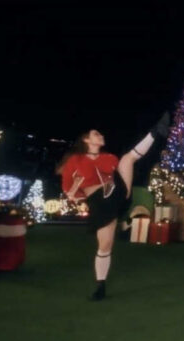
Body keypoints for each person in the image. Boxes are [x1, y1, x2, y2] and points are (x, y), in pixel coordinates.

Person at [59, 113, 170, 300]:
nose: (101, 135)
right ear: (86, 140)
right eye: (96, 134)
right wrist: (75, 194)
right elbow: (68, 189)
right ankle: (100, 286)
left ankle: (156, 132)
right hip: (99, 204)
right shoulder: (75, 161)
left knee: (127, 159)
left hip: (117, 193)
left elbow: (119, 171)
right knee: (104, 246)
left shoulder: (109, 158)